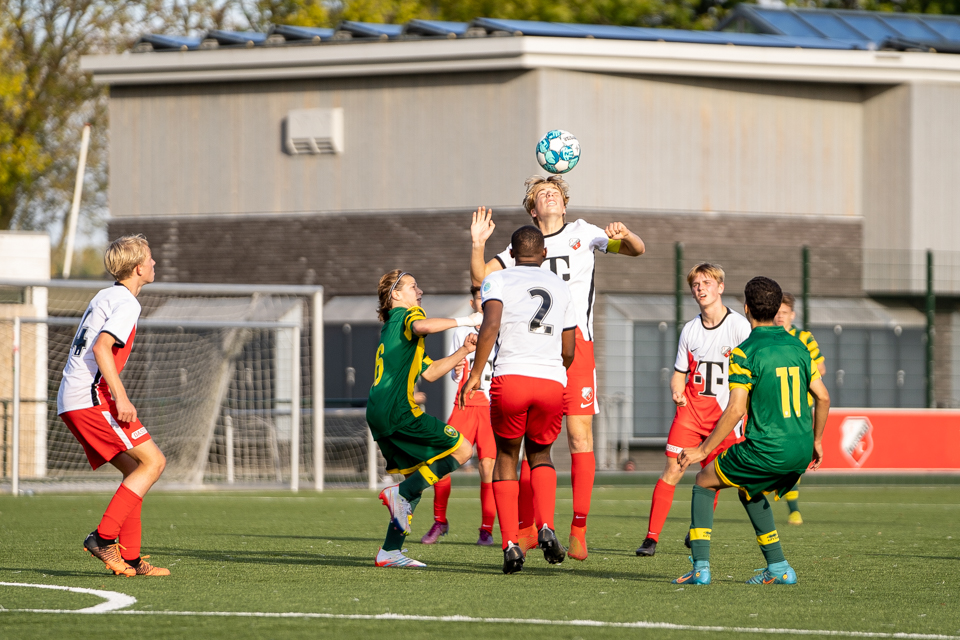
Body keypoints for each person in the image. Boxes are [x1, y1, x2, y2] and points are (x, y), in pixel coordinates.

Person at [470, 175, 645, 560]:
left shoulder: (584, 232)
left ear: (564, 204)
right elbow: (481, 277)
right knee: (530, 440)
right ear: (533, 210)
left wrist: (626, 234)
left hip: (575, 343)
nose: (550, 197)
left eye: (555, 193)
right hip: (534, 348)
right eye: (541, 194)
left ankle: (578, 529)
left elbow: (637, 250)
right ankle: (529, 529)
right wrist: (478, 243)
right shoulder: (523, 246)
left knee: (579, 437)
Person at [673, 276, 830, 585]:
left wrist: (702, 450)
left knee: (703, 481)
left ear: (746, 308)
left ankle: (700, 568)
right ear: (777, 308)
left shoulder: (744, 352)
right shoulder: (799, 346)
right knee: (750, 488)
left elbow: (735, 409)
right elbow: (823, 397)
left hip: (766, 449)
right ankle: (779, 567)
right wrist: (818, 440)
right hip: (801, 449)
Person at [461, 225, 576, 574]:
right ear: (544, 254)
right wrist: (554, 369)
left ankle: (511, 544)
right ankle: (546, 526)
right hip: (551, 381)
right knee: (541, 454)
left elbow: (490, 325)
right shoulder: (561, 286)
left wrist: (475, 373)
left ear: (511, 254)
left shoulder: (498, 279)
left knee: (507, 457)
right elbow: (569, 349)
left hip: (511, 378)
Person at [58, 234, 169, 577]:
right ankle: (103, 538)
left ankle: (131, 558)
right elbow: (101, 347)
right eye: (149, 258)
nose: (154, 263)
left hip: (74, 397)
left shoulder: (105, 295)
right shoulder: (127, 302)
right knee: (154, 462)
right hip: (90, 397)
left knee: (136, 469)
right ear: (138, 268)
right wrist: (122, 397)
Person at [367, 270, 483, 568]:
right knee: (463, 449)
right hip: (399, 411)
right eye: (413, 286)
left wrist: (464, 350)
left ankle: (390, 551)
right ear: (396, 294)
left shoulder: (394, 328)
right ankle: (399, 493)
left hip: (378, 412)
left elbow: (429, 373)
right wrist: (467, 319)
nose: (420, 291)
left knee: (416, 481)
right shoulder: (408, 315)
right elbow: (422, 325)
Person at [636, 263, 751, 557]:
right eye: (696, 285)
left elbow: (752, 374)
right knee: (672, 470)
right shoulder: (690, 329)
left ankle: (696, 527)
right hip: (690, 415)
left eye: (707, 283)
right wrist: (676, 390)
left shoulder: (739, 327)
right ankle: (651, 538)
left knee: (714, 477)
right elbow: (679, 373)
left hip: (724, 418)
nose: (700, 288)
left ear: (720, 287)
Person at [421, 285, 498, 546]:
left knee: (487, 467)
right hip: (464, 405)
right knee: (441, 460)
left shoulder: (502, 330)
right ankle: (439, 521)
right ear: (472, 303)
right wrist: (456, 371)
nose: (484, 303)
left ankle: (486, 529)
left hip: (490, 407)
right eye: (480, 299)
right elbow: (457, 368)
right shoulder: (462, 332)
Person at [773, 292, 827, 526]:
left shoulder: (804, 338)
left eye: (784, 313)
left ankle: (793, 509)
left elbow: (821, 368)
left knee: (794, 459)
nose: (780, 317)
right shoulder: (766, 338)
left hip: (799, 409)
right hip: (772, 407)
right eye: (776, 313)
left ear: (792, 315)